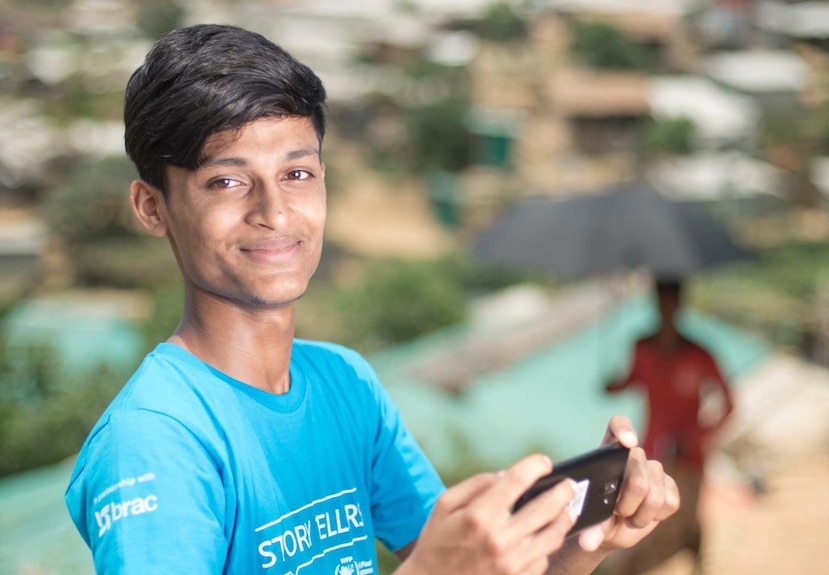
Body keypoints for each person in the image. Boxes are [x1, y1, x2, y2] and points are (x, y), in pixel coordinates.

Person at [65, 24, 679, 575]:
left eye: (296, 174)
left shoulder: (345, 385)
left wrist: (588, 538)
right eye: (227, 181)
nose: (274, 211)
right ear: (152, 208)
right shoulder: (156, 442)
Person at [604, 278, 734, 575]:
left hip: (688, 458)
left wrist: (695, 437)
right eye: (661, 301)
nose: (665, 308)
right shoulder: (642, 347)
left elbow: (729, 405)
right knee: (650, 520)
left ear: (678, 304)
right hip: (653, 450)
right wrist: (613, 384)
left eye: (669, 300)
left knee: (685, 520)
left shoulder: (699, 355)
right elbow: (633, 379)